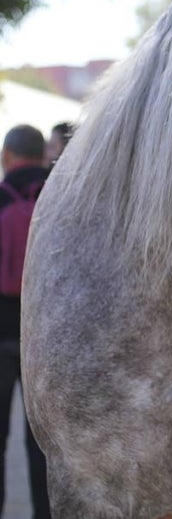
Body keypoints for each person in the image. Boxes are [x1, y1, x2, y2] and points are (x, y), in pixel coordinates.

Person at [0, 125, 51, 517]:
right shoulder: (63, 197)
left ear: (7, 156)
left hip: (1, 333)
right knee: (46, 448)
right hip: (49, 342)